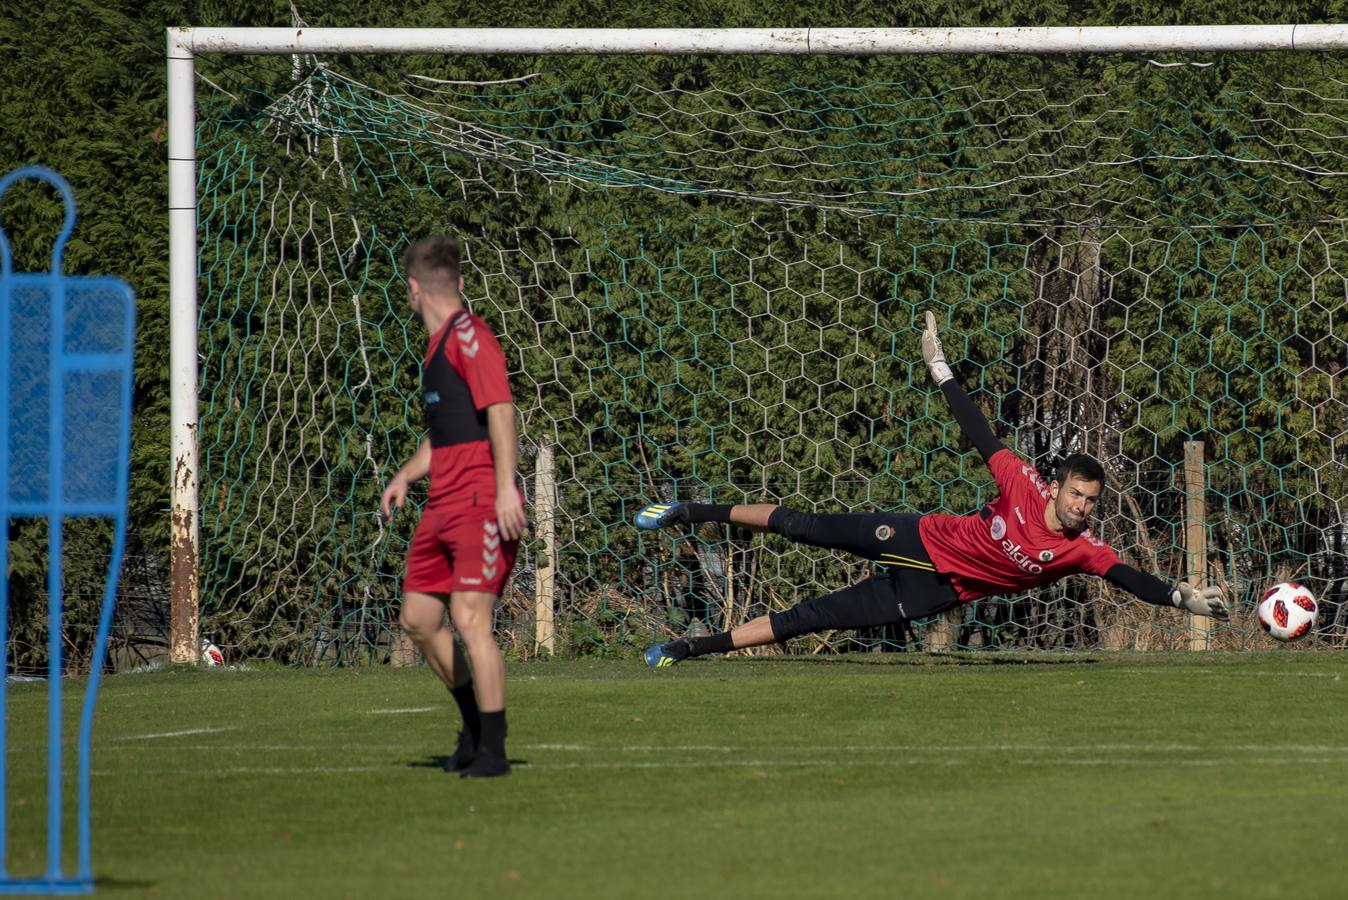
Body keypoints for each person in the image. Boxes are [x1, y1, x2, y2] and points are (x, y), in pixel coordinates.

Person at [637, 311, 1228, 667]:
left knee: (811, 617)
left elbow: (1127, 576)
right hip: (919, 536)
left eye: (1091, 501)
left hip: (931, 592)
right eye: (1076, 493)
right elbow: (978, 431)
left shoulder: (1081, 550)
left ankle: (689, 649)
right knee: (804, 524)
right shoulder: (1020, 482)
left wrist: (1179, 598)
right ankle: (687, 510)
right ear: (1055, 486)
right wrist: (940, 367)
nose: (1082, 507)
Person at [381, 236, 527, 777]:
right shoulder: (439, 344)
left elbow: (501, 410)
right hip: (442, 500)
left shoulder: (470, 336)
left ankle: (493, 750)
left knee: (469, 619)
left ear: (413, 289)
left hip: (479, 500)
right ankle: (472, 727)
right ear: (459, 283)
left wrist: (506, 486)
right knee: (418, 618)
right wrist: (404, 475)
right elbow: (447, 434)